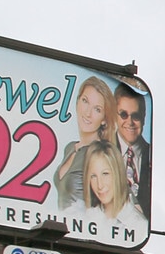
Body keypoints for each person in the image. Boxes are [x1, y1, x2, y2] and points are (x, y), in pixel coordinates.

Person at [52, 77, 115, 209]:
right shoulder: (70, 148)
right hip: (64, 227)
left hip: (87, 226)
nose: (88, 113)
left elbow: (123, 199)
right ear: (77, 102)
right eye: (85, 101)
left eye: (97, 109)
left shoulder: (101, 154)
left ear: (104, 119)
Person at [79, 140, 144, 227]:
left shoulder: (138, 225)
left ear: (118, 174)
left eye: (105, 174)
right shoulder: (86, 218)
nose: (100, 185)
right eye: (93, 176)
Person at [112, 84, 152, 217]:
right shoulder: (102, 151)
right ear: (115, 115)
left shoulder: (152, 156)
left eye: (135, 116)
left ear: (144, 117)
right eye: (123, 115)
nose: (130, 122)